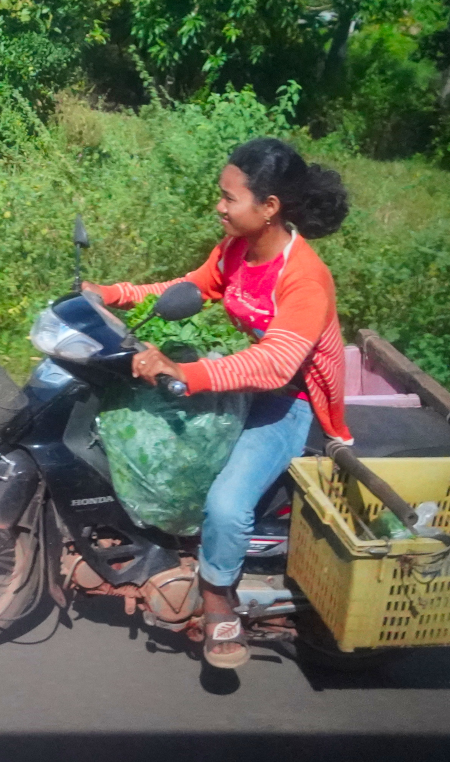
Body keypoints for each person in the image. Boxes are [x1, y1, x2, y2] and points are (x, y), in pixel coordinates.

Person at [84, 137, 354, 669]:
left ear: (268, 207)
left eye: (230, 198)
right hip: (244, 384)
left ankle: (216, 599)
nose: (219, 207)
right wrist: (111, 294)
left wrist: (187, 372)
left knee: (227, 504)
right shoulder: (237, 249)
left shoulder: (304, 278)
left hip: (289, 401)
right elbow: (191, 285)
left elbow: (278, 363)